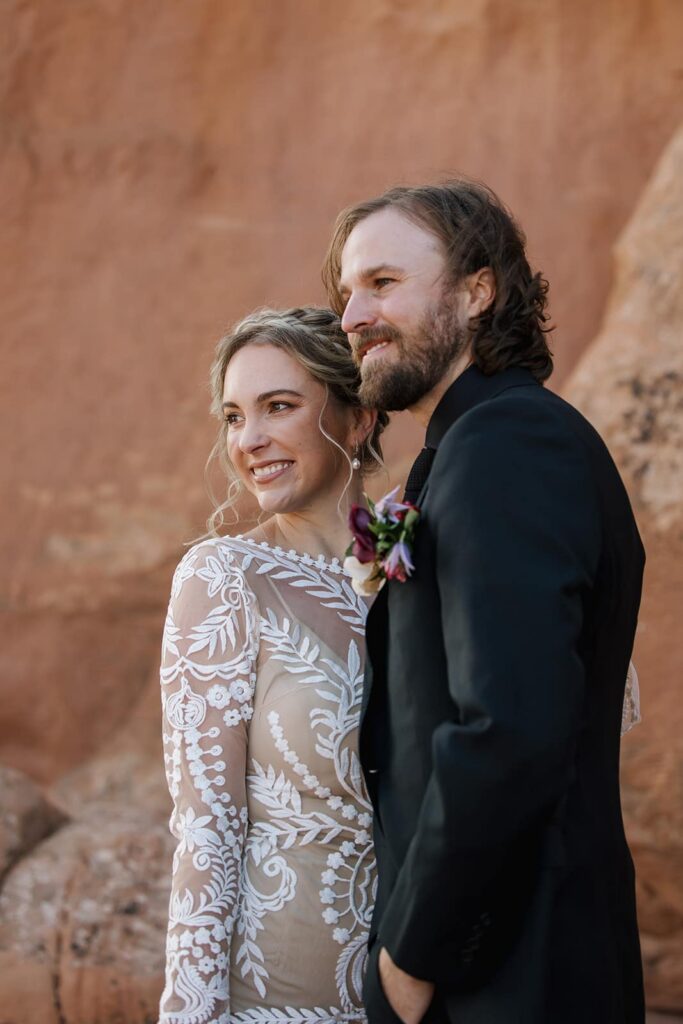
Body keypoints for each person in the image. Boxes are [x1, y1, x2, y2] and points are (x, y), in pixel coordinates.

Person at [322, 180, 645, 1024]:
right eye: (346, 292)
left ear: (476, 291)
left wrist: (410, 959)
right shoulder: (472, 448)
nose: (352, 314)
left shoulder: (509, 446)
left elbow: (510, 727)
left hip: (511, 974)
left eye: (382, 283)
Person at [158, 307, 385, 1024]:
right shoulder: (224, 577)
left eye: (277, 407)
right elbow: (207, 827)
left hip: (428, 994)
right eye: (232, 417)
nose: (248, 441)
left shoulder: (421, 562)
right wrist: (194, 1012)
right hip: (283, 1002)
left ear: (358, 419)